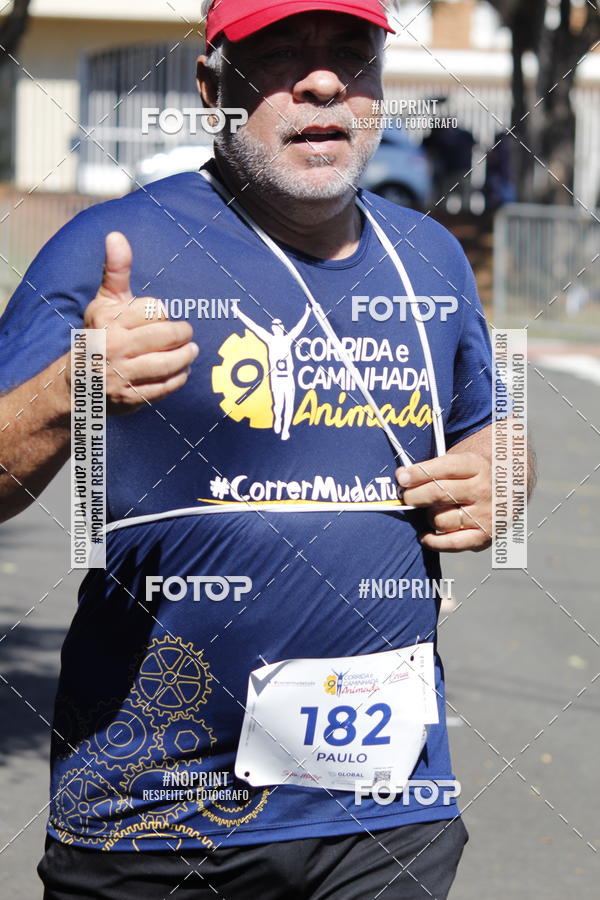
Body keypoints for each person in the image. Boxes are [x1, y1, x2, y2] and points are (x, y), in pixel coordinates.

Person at [0, 1, 531, 897]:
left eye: (351, 56)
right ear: (212, 87)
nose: (322, 79)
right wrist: (72, 390)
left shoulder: (433, 257)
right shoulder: (109, 246)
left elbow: (495, 429)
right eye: (283, 52)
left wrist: (502, 480)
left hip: (386, 808)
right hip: (154, 815)